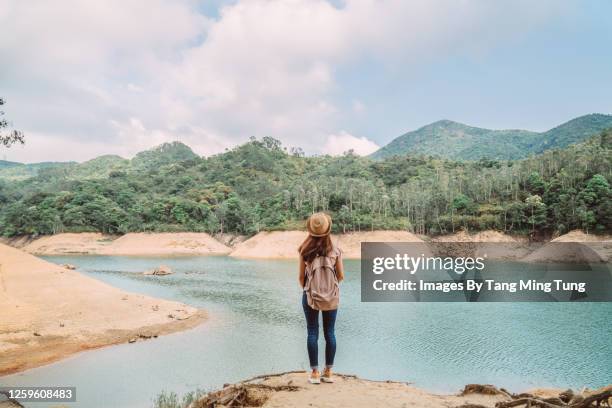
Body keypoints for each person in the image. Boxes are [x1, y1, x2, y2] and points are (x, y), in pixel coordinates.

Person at [298, 212, 344, 384]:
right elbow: (340, 276)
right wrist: (328, 288)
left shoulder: (305, 250)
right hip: (331, 297)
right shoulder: (335, 250)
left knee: (312, 332)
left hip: (310, 296)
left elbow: (301, 277)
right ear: (328, 229)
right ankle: (329, 372)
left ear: (311, 230)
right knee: (330, 333)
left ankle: (315, 373)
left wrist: (311, 289)